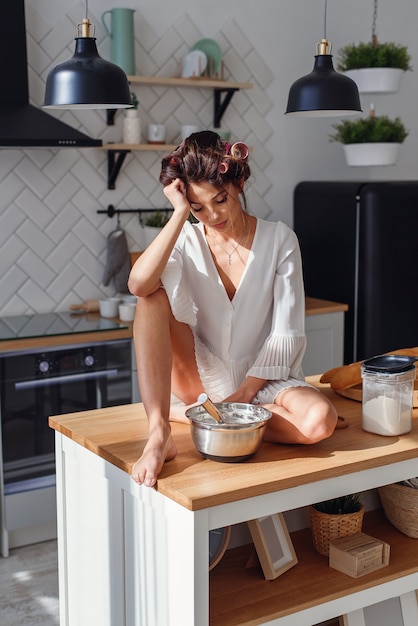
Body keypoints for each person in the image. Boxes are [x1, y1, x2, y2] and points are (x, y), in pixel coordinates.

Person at [128, 130, 338, 487]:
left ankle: (195, 417)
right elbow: (138, 285)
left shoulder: (279, 239)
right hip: (203, 373)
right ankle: (159, 432)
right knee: (150, 299)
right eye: (198, 207)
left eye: (220, 200)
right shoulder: (186, 239)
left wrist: (238, 400)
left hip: (267, 378)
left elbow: (286, 332)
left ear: (238, 183)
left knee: (320, 421)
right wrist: (180, 214)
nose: (212, 215)